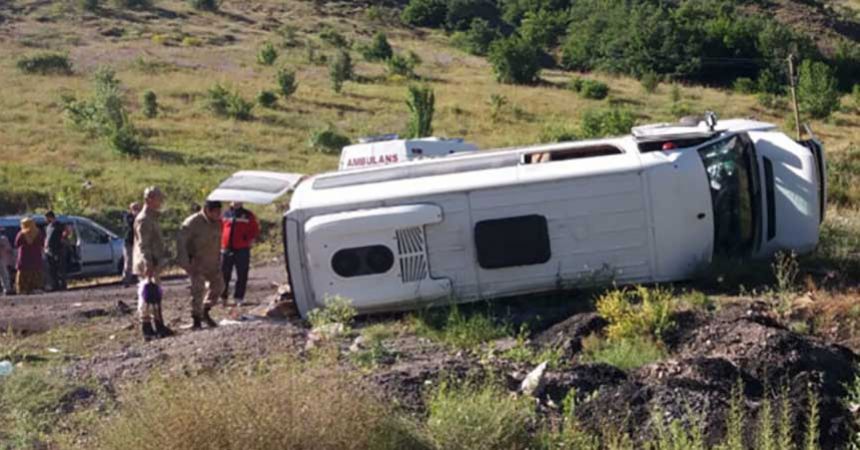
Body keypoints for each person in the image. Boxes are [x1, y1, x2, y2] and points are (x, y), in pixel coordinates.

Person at [134, 186, 173, 340]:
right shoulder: (144, 219)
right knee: (146, 294)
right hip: (147, 263)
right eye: (158, 199)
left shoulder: (152, 218)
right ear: (149, 199)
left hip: (154, 261)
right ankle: (146, 327)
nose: (161, 202)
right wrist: (148, 263)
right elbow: (143, 245)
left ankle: (159, 324)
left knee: (155, 294)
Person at [178, 200, 224, 329]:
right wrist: (186, 263)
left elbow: (218, 242)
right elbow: (181, 244)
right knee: (197, 291)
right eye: (216, 212)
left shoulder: (218, 222)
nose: (218, 215)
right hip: (196, 263)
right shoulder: (192, 223)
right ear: (207, 210)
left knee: (219, 287)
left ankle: (205, 310)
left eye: (220, 212)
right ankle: (196, 319)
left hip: (213, 263)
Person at [220, 202, 260, 306]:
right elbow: (220, 228)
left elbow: (254, 230)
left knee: (242, 274)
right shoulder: (225, 214)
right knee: (224, 274)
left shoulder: (248, 215)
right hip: (226, 249)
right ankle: (223, 297)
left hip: (241, 249)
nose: (235, 201)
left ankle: (238, 298)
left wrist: (249, 241)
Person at [14, 217, 44, 295]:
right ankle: (36, 288)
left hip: (24, 257)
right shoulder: (38, 233)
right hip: (36, 256)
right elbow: (42, 243)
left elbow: (16, 243)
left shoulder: (21, 234)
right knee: (36, 272)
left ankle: (23, 289)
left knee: (23, 273)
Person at [44, 211, 68, 291]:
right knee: (52, 269)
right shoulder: (48, 227)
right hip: (50, 250)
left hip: (58, 249)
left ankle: (63, 285)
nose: (46, 219)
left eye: (46, 218)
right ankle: (55, 285)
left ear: (50, 217)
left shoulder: (58, 225)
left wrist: (63, 238)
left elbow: (67, 231)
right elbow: (47, 237)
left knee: (60, 268)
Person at [122, 202, 142, 287]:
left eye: (137, 208)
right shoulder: (128, 217)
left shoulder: (141, 217)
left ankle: (139, 279)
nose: (136, 210)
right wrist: (135, 216)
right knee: (128, 262)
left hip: (138, 242)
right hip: (129, 242)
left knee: (139, 261)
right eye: (134, 208)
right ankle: (126, 280)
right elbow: (130, 225)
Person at [0, 227, 14, 295]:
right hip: (1, 258)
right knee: (4, 275)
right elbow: (8, 249)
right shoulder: (3, 239)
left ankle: (7, 289)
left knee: (4, 275)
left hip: (2, 258)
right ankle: (7, 289)